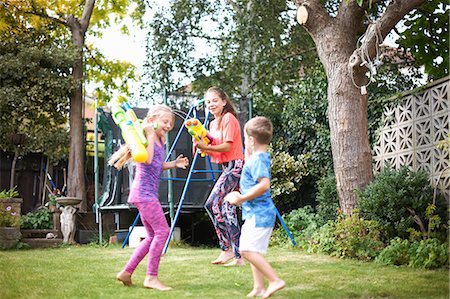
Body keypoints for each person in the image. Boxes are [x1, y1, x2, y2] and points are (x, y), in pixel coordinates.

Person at [113, 104, 189, 291]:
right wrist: (149, 134)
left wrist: (174, 164)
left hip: (145, 194)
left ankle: (127, 272)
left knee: (152, 236)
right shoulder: (149, 137)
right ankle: (151, 277)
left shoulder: (159, 140)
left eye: (170, 123)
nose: (168, 126)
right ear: (152, 120)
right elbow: (146, 160)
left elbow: (155, 164)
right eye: (165, 121)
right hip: (144, 193)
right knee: (162, 232)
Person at [224, 116, 285, 298]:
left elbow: (264, 184)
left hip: (259, 214)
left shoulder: (257, 160)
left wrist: (241, 198)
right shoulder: (258, 157)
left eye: (245, 138)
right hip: (255, 213)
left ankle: (275, 280)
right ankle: (259, 287)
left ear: (250, 140)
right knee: (253, 249)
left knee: (246, 250)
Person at [194, 86, 245, 266]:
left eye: (215, 100)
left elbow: (227, 147)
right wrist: (201, 143)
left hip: (235, 166)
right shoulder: (212, 124)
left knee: (212, 203)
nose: (211, 104)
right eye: (208, 102)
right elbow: (214, 146)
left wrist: (206, 147)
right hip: (227, 167)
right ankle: (238, 255)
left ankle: (227, 249)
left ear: (224, 101)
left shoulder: (229, 118)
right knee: (227, 208)